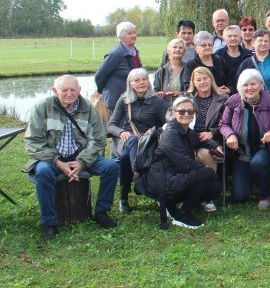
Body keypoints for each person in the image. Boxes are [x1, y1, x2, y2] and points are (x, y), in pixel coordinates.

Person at [24, 75, 119, 240]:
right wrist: (57, 162)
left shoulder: (89, 108)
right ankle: (49, 223)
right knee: (44, 173)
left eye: (72, 89)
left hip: (81, 155)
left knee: (111, 167)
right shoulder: (42, 107)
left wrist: (82, 162)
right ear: (55, 91)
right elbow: (33, 142)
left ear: (79, 90)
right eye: (64, 90)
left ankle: (102, 212)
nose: (69, 93)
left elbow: (98, 140)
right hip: (52, 157)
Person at [145, 97, 222, 229]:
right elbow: (185, 165)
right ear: (173, 114)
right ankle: (182, 214)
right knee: (207, 174)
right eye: (181, 111)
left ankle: (171, 203)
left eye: (190, 111)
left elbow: (200, 140)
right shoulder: (170, 134)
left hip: (176, 176)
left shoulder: (185, 131)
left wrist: (215, 146)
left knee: (214, 188)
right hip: (165, 179)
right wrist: (203, 170)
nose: (186, 114)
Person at [219, 69, 270, 208]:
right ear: (240, 87)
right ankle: (251, 179)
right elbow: (223, 124)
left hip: (264, 149)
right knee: (239, 197)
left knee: (258, 163)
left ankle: (265, 194)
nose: (249, 88)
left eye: (253, 84)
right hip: (242, 152)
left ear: (260, 85)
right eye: (245, 85)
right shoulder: (233, 101)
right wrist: (230, 135)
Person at [108, 68, 169, 214]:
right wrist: (121, 132)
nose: (141, 82)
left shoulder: (157, 102)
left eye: (144, 79)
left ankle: (124, 197)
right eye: (137, 80)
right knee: (132, 141)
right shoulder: (123, 101)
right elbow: (111, 125)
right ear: (130, 83)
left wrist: (155, 129)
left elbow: (169, 123)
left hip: (148, 142)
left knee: (124, 159)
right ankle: (138, 173)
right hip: (126, 140)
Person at [186, 66, 227, 211]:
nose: (202, 82)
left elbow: (227, 123)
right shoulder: (186, 99)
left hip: (209, 141)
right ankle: (185, 194)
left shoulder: (223, 100)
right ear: (193, 83)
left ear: (211, 80)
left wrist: (212, 132)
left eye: (205, 78)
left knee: (207, 155)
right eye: (198, 79)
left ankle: (205, 197)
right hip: (188, 139)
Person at [95, 21, 142, 113]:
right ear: (121, 36)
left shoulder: (134, 52)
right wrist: (103, 92)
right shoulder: (115, 54)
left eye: (134, 32)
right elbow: (99, 76)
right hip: (116, 102)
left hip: (131, 100)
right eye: (129, 33)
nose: (133, 35)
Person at [183, 31, 230, 96]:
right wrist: (214, 90)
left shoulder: (220, 60)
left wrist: (229, 89)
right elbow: (187, 86)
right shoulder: (191, 64)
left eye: (210, 45)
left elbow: (230, 79)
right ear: (196, 48)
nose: (207, 47)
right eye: (204, 45)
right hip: (200, 101)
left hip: (222, 98)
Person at [215, 25, 252, 93]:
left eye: (235, 36)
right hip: (225, 93)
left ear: (240, 37)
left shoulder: (248, 54)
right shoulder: (218, 55)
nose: (233, 38)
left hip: (246, 91)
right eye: (229, 36)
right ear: (224, 38)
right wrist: (229, 89)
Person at [154, 38, 187, 106]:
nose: (177, 49)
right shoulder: (161, 71)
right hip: (165, 108)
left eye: (180, 48)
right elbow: (155, 92)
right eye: (175, 47)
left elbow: (193, 91)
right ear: (169, 51)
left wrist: (181, 93)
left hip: (184, 108)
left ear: (184, 52)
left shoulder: (188, 69)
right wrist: (159, 94)